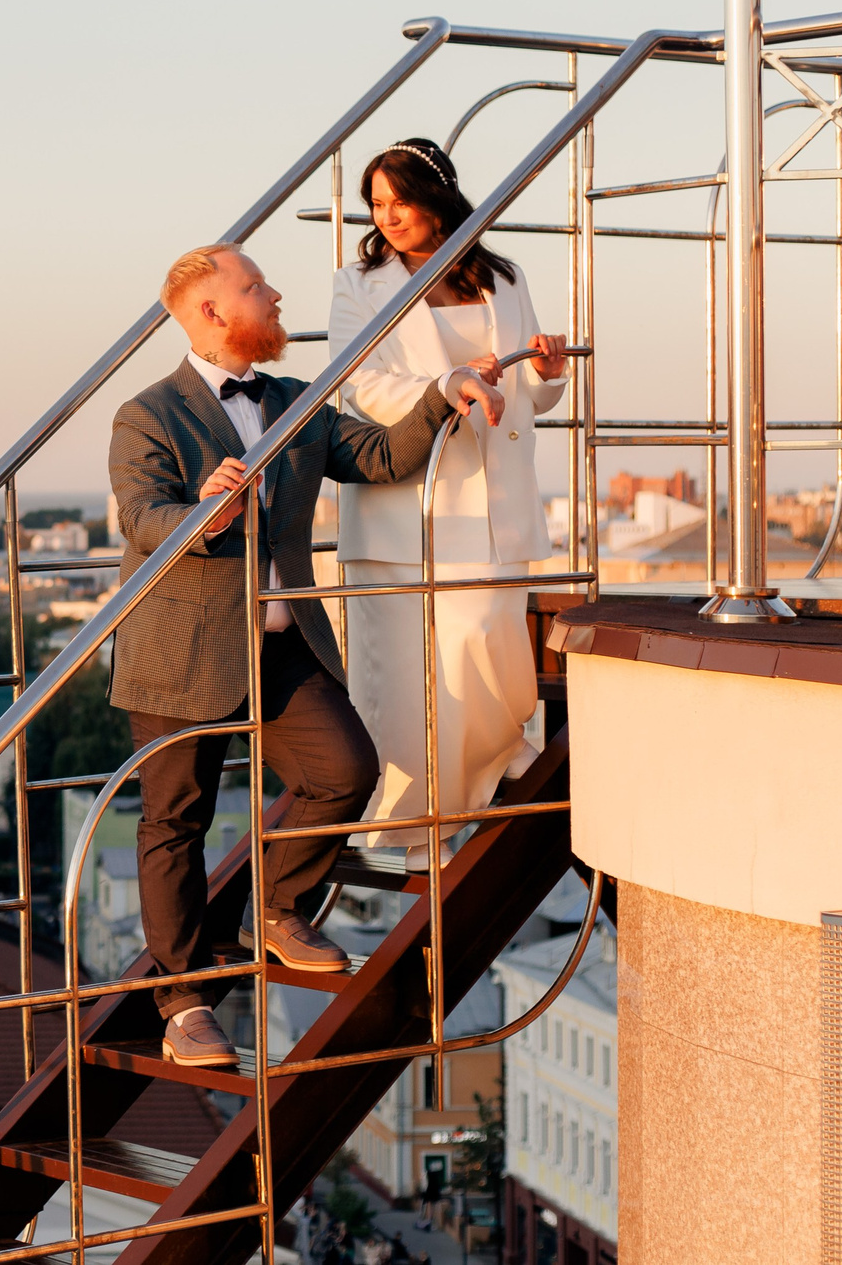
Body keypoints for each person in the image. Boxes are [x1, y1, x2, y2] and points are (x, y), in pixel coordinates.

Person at [110, 244, 499, 1069]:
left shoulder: (299, 400)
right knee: (175, 824)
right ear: (214, 313)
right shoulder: (146, 414)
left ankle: (279, 906)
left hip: (284, 646)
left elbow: (378, 457)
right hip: (181, 653)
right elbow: (144, 522)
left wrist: (444, 395)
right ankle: (182, 1003)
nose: (277, 293)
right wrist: (205, 512)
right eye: (257, 287)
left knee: (346, 770)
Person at [327, 137, 569, 869]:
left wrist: (548, 373)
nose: (388, 216)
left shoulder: (503, 275)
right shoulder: (359, 283)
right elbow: (357, 384)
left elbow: (532, 394)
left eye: (400, 200)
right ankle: (403, 830)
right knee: (403, 677)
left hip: (495, 498)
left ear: (438, 199)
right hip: (408, 502)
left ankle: (492, 771)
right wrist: (444, 386)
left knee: (488, 640)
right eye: (376, 204)